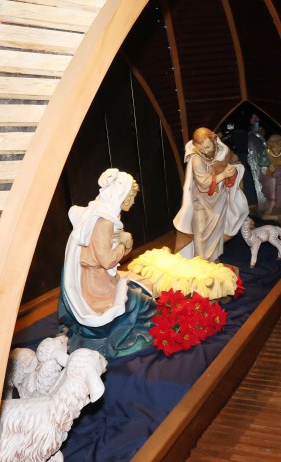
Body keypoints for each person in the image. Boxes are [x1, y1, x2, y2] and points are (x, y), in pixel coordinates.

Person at [58, 169, 158, 359]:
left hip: (97, 278)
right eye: (131, 197)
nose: (133, 202)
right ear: (120, 196)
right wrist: (125, 243)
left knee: (140, 285)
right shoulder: (104, 222)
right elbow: (107, 261)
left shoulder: (100, 213)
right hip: (95, 286)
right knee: (143, 302)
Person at [173, 127, 249, 262]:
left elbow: (237, 164)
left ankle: (212, 259)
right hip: (202, 202)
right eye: (202, 149)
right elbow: (204, 182)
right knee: (201, 233)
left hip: (219, 201)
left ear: (214, 140)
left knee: (216, 232)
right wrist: (223, 174)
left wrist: (232, 173)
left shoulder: (224, 152)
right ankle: (201, 262)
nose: (206, 151)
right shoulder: (196, 159)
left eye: (208, 147)